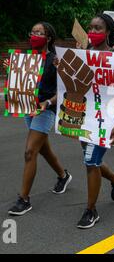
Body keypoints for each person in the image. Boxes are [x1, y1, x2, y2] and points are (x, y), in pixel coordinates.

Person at [63, 13, 114, 229]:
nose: (92, 31)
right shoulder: (83, 54)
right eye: (90, 27)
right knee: (92, 159)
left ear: (108, 31)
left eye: (98, 28)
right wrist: (62, 65)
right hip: (84, 115)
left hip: (104, 118)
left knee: (90, 162)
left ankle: (91, 211)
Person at [7, 22, 72, 216]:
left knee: (30, 152)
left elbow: (63, 91)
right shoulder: (25, 59)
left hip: (45, 110)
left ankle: (24, 199)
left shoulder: (54, 60)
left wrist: (48, 103)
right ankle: (63, 175)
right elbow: (21, 85)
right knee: (43, 149)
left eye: (39, 33)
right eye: (33, 32)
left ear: (48, 38)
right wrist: (13, 71)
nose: (34, 35)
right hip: (28, 108)